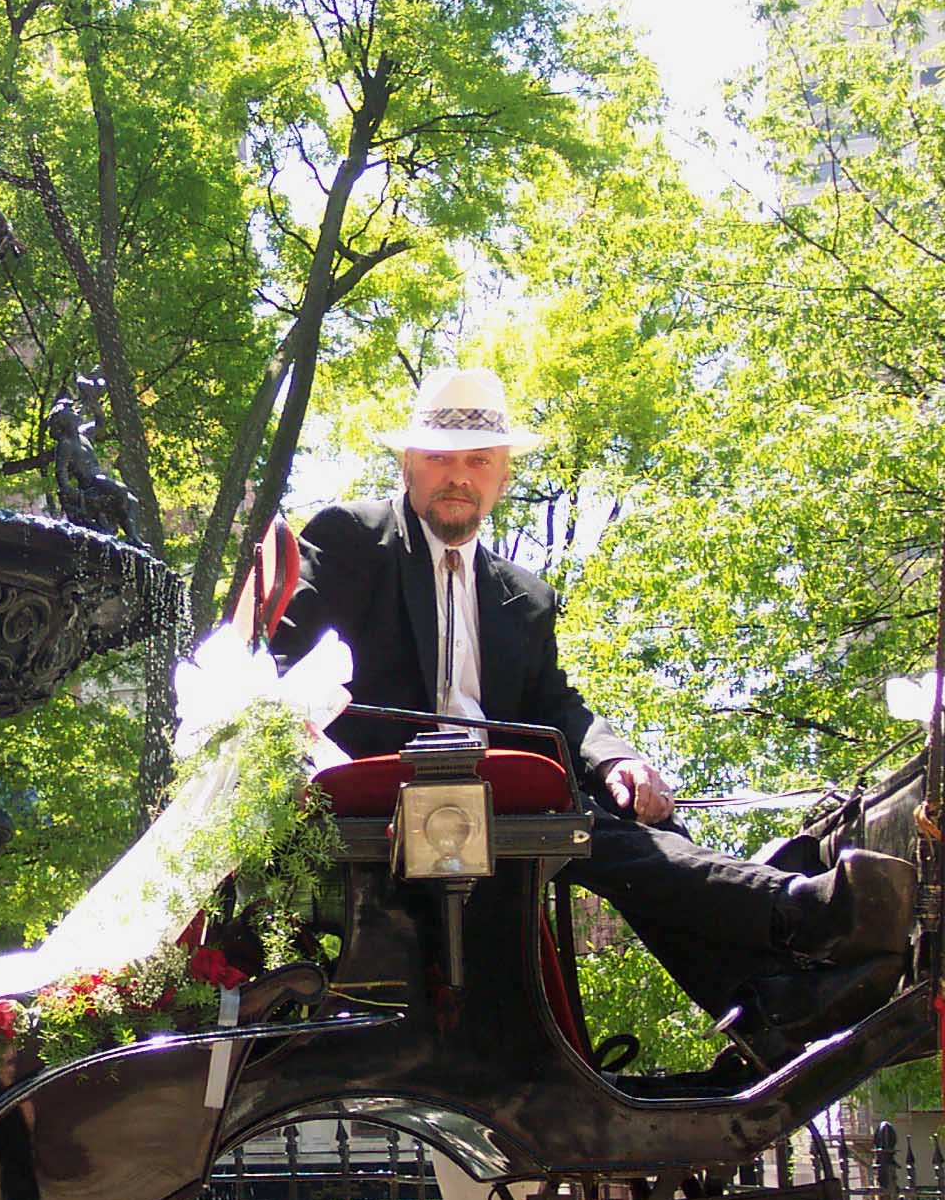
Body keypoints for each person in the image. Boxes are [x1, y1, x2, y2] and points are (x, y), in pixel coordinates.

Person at [268, 368, 915, 1056]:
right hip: (397, 790)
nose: (459, 476)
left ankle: (766, 1002)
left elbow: (557, 705)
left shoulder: (524, 596)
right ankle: (807, 912)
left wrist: (618, 757)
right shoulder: (350, 540)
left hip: (508, 796)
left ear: (502, 476)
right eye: (440, 459)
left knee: (638, 822)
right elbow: (280, 669)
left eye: (478, 461)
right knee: (589, 830)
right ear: (408, 465)